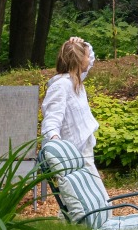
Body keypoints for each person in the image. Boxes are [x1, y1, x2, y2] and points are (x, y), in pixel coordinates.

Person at [41, 36, 99, 168]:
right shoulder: (61, 85)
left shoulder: (74, 80)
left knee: (93, 187)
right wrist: (57, 144)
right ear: (79, 60)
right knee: (87, 187)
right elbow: (51, 119)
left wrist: (84, 44)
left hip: (83, 149)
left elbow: (91, 61)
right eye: (86, 56)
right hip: (73, 155)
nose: (89, 59)